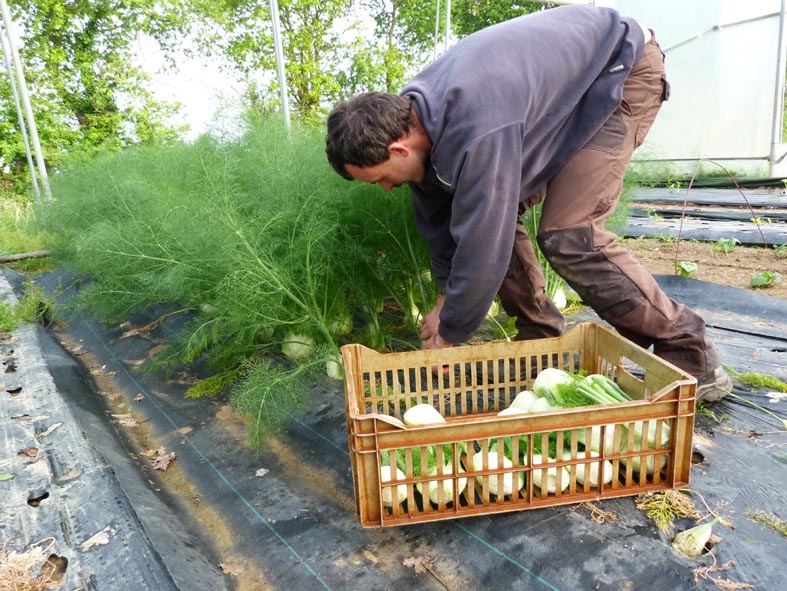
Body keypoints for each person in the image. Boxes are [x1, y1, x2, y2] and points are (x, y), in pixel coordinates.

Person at [325, 4, 732, 401]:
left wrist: (451, 333)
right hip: (566, 91)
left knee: (571, 234)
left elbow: (484, 243)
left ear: (398, 149)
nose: (386, 189)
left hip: (618, 71)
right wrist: (444, 300)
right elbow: (441, 222)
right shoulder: (418, 120)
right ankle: (541, 344)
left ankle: (689, 350)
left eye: (379, 179)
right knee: (488, 220)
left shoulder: (475, 124)